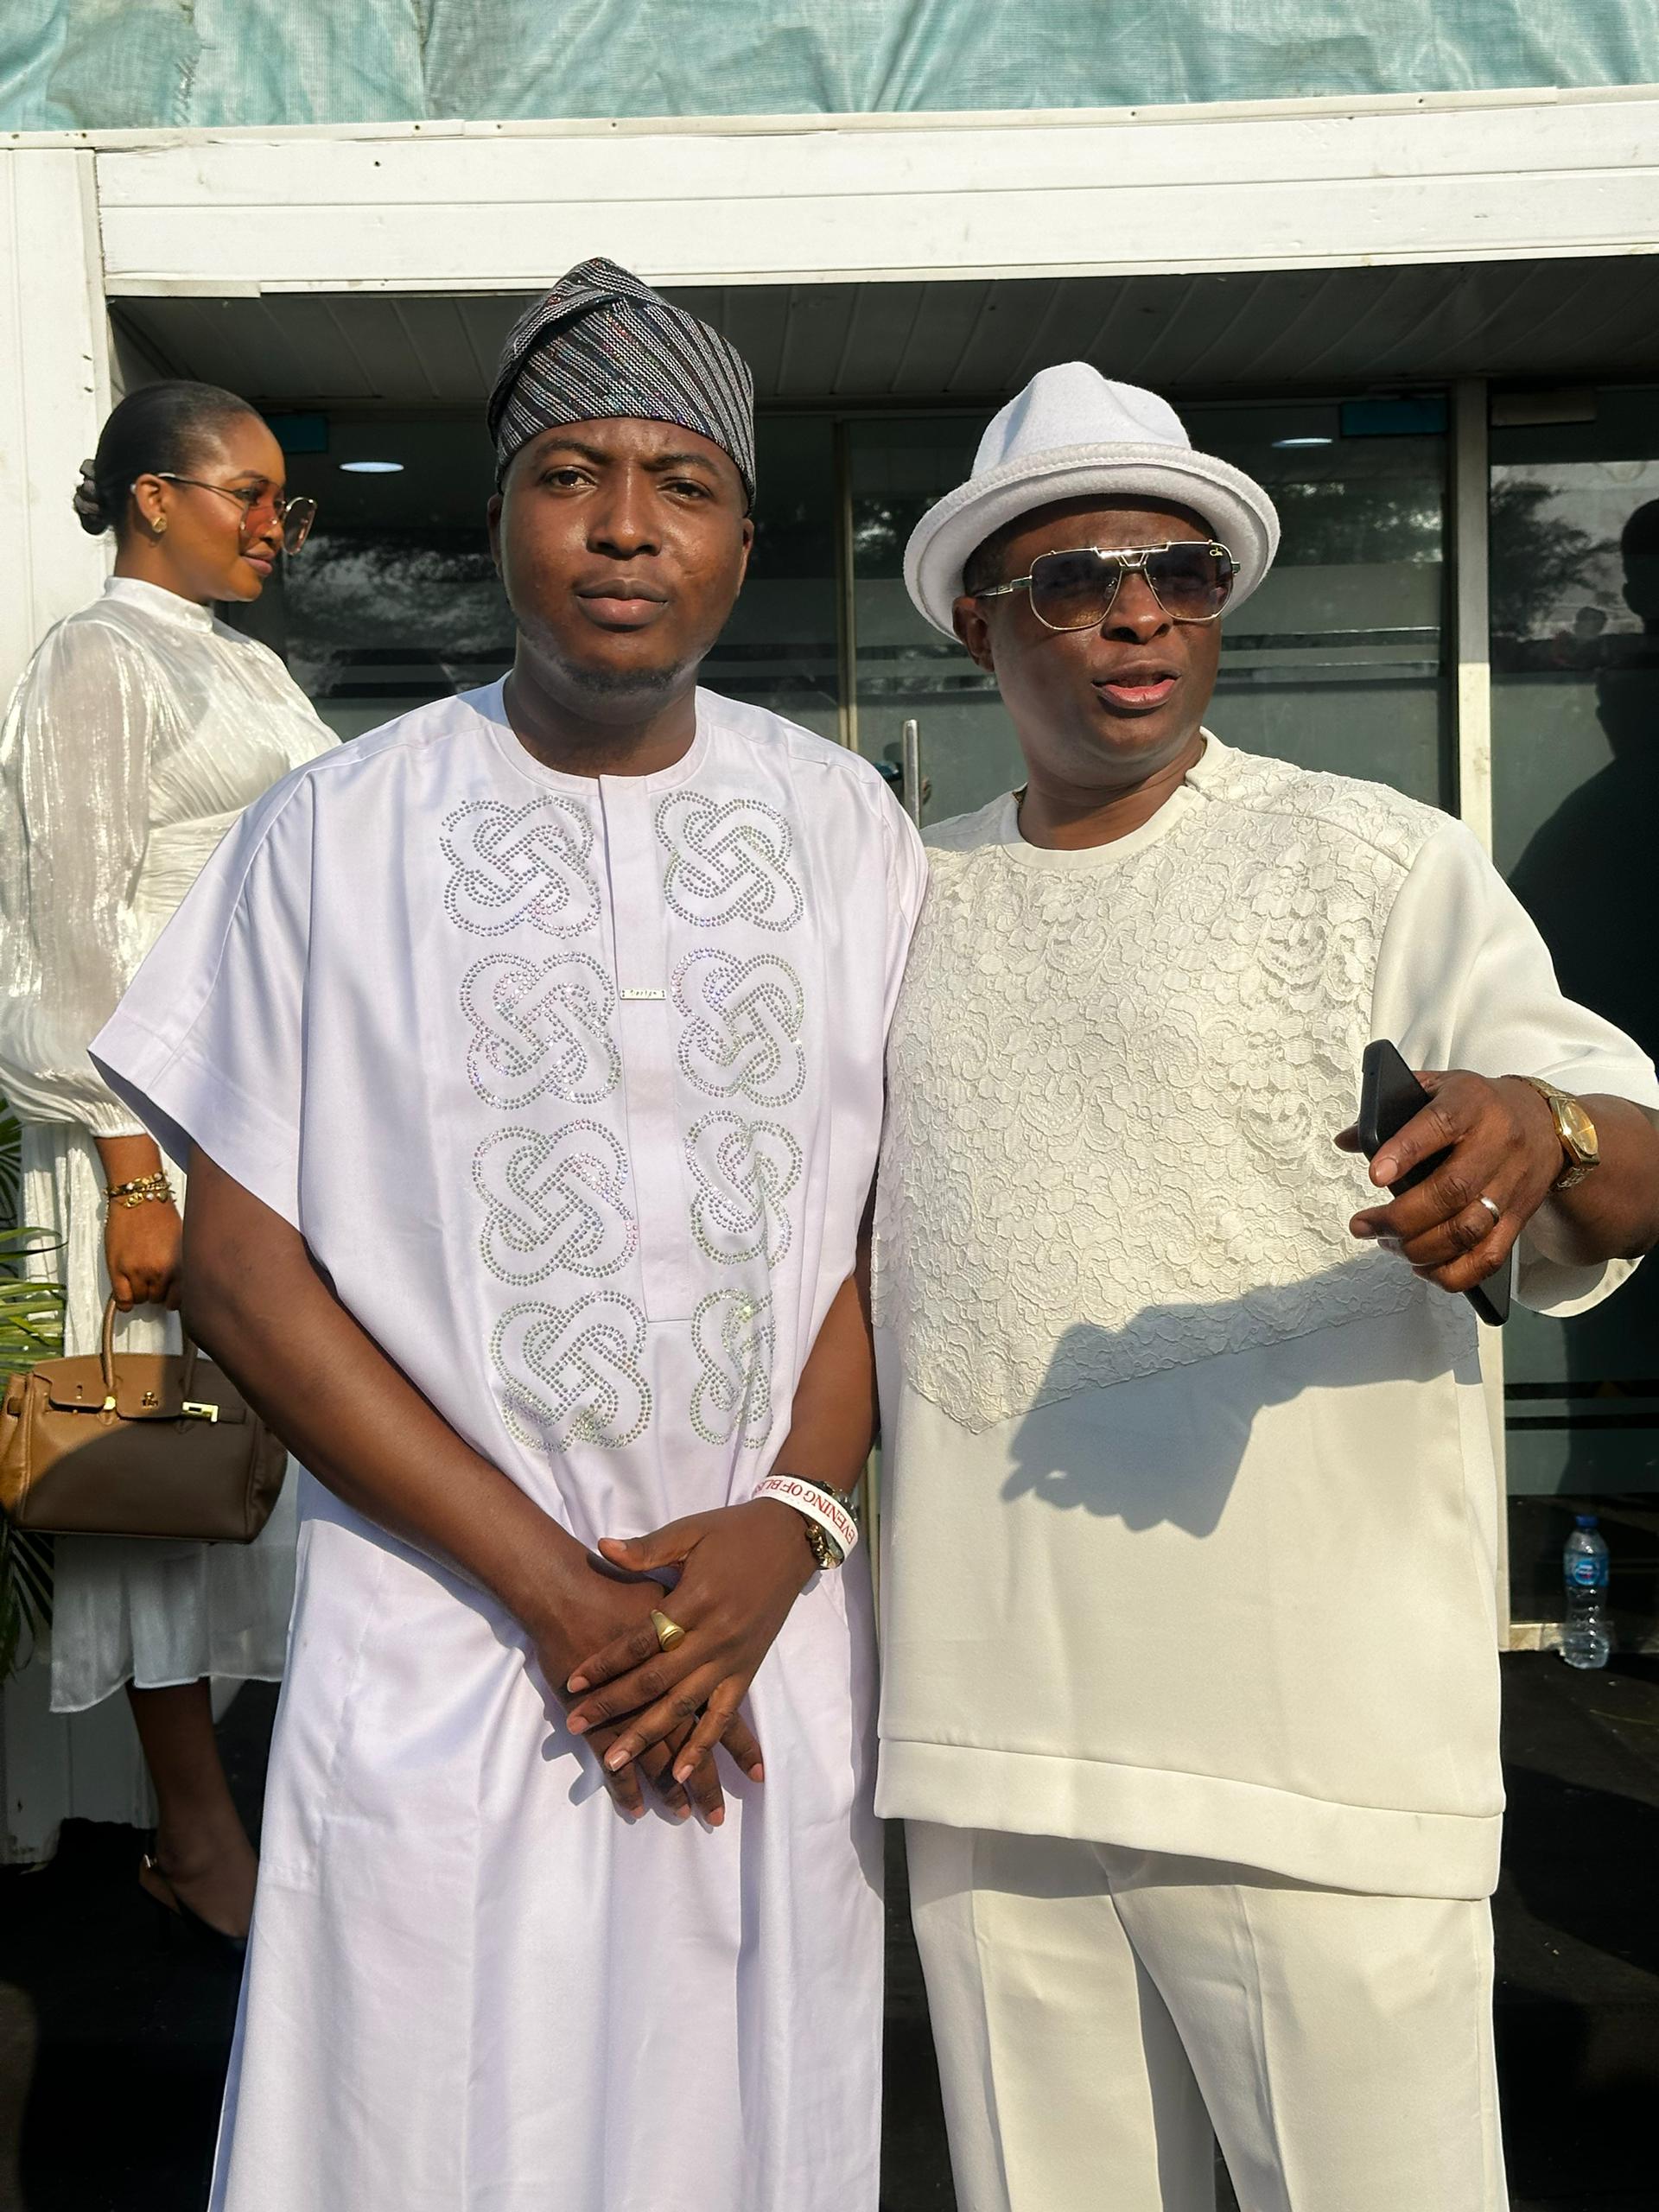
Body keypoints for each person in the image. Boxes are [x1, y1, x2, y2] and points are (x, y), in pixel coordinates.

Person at [91, 260, 925, 2211]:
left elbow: (897, 1227)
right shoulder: (332, 830)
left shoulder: (847, 832)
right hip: (446, 1632)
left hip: (758, 1635)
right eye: (571, 474)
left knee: (738, 2128)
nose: (625, 525)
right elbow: (243, 1271)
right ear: (498, 520)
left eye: (682, 482)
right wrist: (554, 1589)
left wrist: (792, 1519)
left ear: (742, 538)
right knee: (425, 2127)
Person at [871, 360, 1659, 2212]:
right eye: (1076, 579)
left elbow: (1630, 1158)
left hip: (1318, 1743)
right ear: (980, 621)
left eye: (1181, 571)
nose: (1138, 610)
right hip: (991, 1738)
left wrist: (1536, 1126)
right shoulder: (897, 905)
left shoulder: (1376, 860)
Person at [0, 381, 333, 1942]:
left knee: (276, 1458)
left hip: (261, 1119)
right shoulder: (96, 658)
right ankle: (197, 1841)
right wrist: (132, 1170)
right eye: (248, 496)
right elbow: (64, 936)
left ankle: (287, 1813)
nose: (276, 527)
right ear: (153, 498)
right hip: (150, 1125)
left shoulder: (242, 660)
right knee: (157, 1462)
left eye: (285, 503)